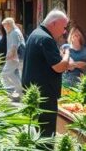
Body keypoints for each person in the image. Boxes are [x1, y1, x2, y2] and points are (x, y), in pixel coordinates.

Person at [22, 10, 77, 139]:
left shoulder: (36, 34)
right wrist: (68, 52)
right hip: (44, 95)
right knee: (45, 136)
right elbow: (59, 67)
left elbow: (51, 63)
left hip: (35, 93)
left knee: (35, 133)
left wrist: (63, 61)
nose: (64, 31)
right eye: (64, 27)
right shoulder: (46, 39)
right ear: (53, 24)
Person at [1, 17, 25, 97]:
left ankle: (10, 89)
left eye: (5, 26)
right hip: (15, 57)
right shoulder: (14, 31)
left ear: (8, 25)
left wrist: (10, 56)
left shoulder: (14, 32)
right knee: (12, 74)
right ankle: (19, 91)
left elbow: (14, 46)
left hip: (14, 57)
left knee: (4, 74)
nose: (4, 28)